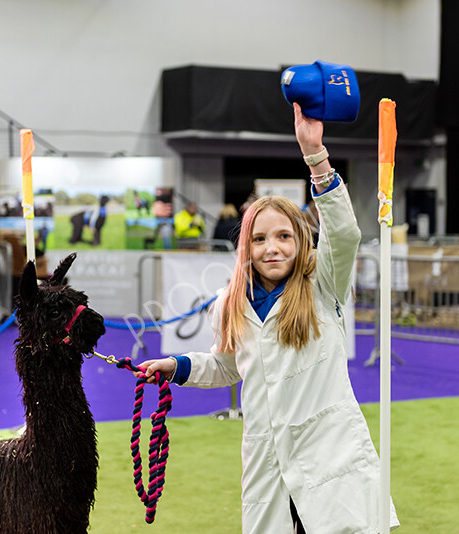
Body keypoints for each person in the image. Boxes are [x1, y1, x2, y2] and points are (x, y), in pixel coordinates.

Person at [133, 103, 399, 533]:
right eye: (259, 239)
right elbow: (226, 365)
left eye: (282, 236)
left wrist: (316, 156)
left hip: (329, 454)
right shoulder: (230, 303)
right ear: (245, 247)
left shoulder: (323, 283)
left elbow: (346, 233)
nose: (270, 247)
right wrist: (178, 366)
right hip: (266, 462)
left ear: (302, 240)